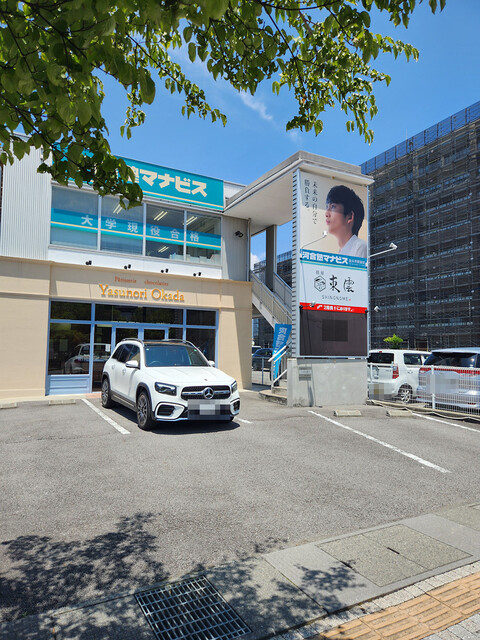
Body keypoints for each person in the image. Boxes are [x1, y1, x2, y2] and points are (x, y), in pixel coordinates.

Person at [325, 185, 367, 258]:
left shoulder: (360, 247)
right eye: (327, 207)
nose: (326, 214)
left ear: (349, 216)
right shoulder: (342, 252)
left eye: (333, 207)